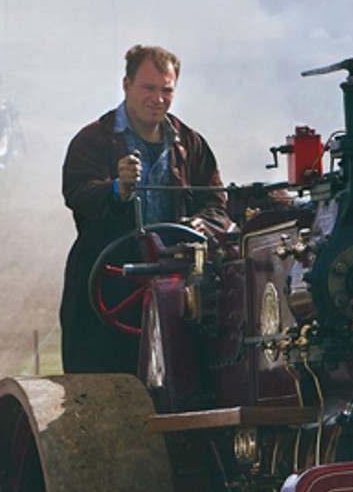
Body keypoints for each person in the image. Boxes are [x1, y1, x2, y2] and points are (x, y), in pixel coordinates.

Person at [59, 44, 228, 375]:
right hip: (109, 290)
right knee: (103, 382)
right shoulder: (93, 141)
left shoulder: (189, 143)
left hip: (180, 292)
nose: (158, 99)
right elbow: (77, 193)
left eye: (166, 90)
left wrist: (201, 225)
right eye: (149, 88)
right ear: (126, 85)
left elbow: (216, 203)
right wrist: (117, 189)